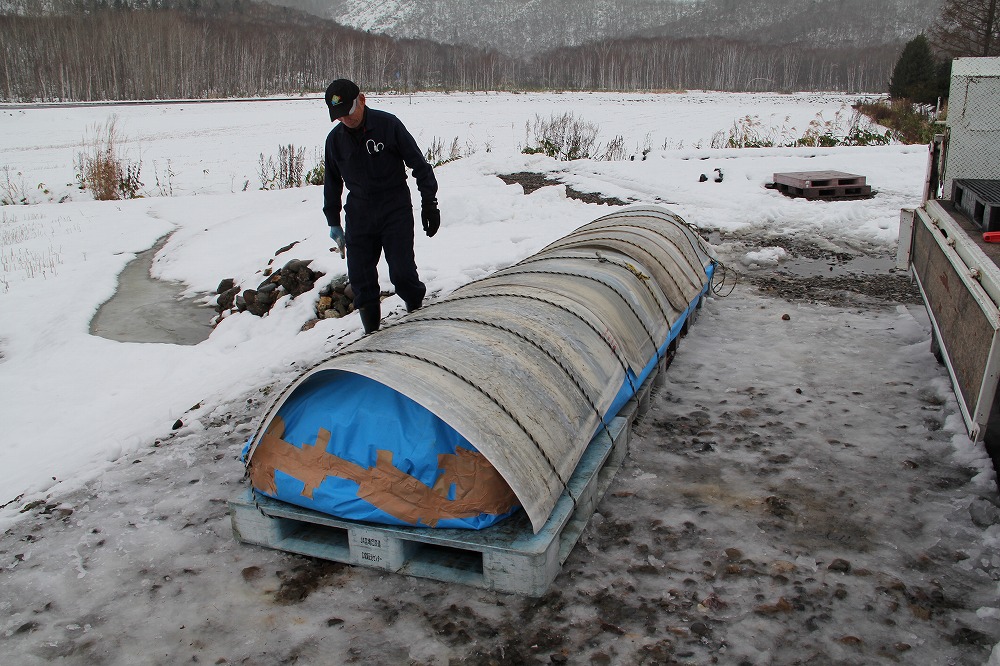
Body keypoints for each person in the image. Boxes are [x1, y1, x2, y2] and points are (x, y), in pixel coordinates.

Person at [322, 79, 440, 334]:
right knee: (361, 279)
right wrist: (333, 222)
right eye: (339, 116)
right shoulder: (334, 141)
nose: (345, 119)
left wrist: (429, 202)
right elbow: (332, 183)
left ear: (362, 100)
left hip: (394, 208)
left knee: (402, 273)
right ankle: (371, 333)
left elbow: (419, 165)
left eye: (348, 112)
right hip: (359, 213)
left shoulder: (388, 125)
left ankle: (416, 314)